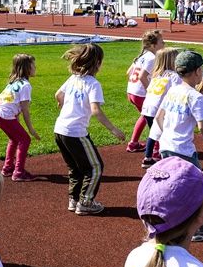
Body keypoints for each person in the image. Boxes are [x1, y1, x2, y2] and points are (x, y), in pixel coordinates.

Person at [154, 50, 203, 242]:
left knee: (173, 185)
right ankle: (198, 228)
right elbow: (202, 125)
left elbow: (159, 117)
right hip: (183, 149)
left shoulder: (173, 90)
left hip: (166, 145)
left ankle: (172, 221)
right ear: (197, 71)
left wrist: (168, 134)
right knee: (196, 188)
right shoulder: (196, 97)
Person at [54, 44, 125, 216]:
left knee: (75, 168)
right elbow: (96, 110)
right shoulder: (93, 84)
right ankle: (86, 202)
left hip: (60, 129)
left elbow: (58, 94)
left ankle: (74, 199)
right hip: (76, 132)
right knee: (95, 167)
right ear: (97, 63)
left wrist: (62, 105)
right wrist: (114, 130)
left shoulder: (73, 78)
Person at [0, 54, 41, 182]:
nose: (35, 68)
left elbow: (13, 102)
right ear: (27, 68)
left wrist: (16, 120)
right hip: (4, 115)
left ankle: (8, 168)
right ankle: (18, 172)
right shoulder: (25, 86)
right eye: (33, 65)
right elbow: (25, 110)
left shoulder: (14, 81)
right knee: (25, 140)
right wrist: (31, 130)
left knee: (14, 139)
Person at [125, 30, 164, 153]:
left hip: (132, 92)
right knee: (156, 119)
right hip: (141, 93)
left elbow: (128, 72)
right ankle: (157, 149)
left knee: (145, 116)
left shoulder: (142, 55)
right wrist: (150, 92)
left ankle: (133, 143)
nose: (164, 44)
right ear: (153, 45)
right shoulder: (152, 58)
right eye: (162, 42)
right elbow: (142, 76)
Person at [140, 48, 180, 168]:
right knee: (165, 135)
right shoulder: (173, 76)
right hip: (159, 110)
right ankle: (165, 160)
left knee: (153, 133)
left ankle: (148, 158)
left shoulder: (156, 75)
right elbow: (177, 92)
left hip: (147, 108)